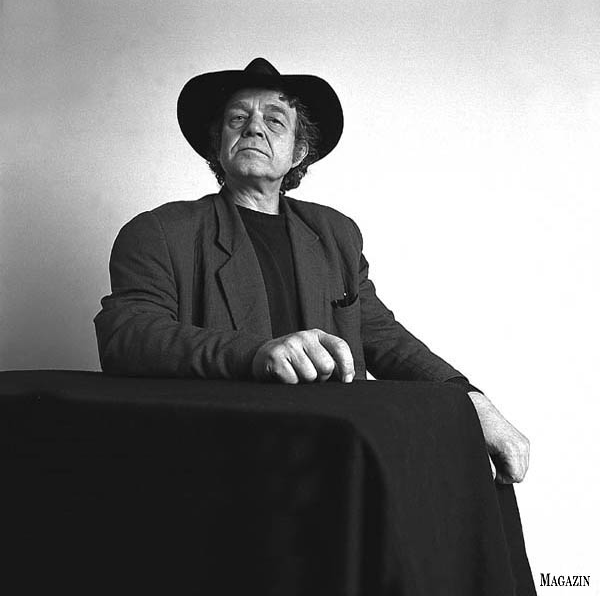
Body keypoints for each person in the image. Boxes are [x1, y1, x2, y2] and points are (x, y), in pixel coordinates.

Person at [94, 58, 529, 485]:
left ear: (298, 152)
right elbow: (126, 337)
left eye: (274, 121)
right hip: (220, 464)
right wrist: (256, 354)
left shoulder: (336, 233)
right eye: (237, 118)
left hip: (332, 466)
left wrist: (469, 400)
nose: (254, 128)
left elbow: (381, 335)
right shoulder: (159, 231)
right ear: (217, 143)